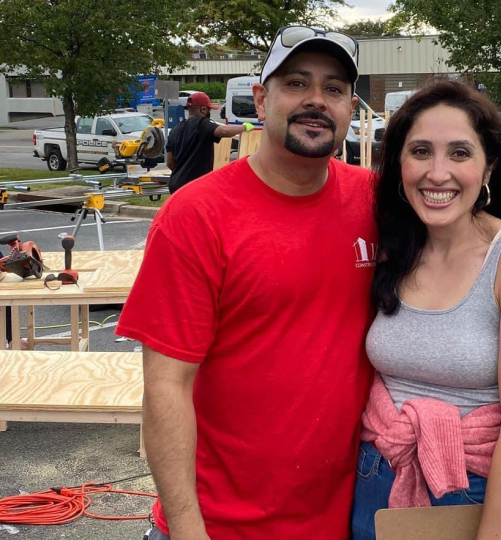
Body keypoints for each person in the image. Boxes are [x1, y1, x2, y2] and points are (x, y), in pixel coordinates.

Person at [117, 26, 375, 540]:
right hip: (223, 525)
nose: (315, 102)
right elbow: (166, 387)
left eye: (334, 89)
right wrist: (190, 530)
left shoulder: (377, 202)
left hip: (348, 518)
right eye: (296, 83)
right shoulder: (196, 216)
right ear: (261, 100)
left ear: (350, 108)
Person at [351, 80, 501, 540]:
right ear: (400, 164)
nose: (437, 172)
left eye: (460, 153)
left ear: (488, 168)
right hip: (376, 481)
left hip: (478, 492)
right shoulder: (392, 248)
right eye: (421, 151)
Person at [165, 92, 255, 194]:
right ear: (203, 109)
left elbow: (169, 163)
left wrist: (181, 173)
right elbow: (224, 131)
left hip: (175, 185)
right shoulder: (201, 123)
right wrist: (244, 127)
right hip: (194, 186)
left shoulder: (174, 130)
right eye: (209, 109)